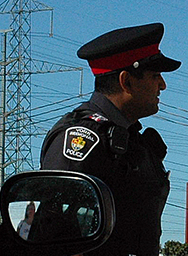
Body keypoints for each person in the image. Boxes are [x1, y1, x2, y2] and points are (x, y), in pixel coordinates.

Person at [40, 22, 179, 256]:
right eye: (155, 75)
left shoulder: (131, 140)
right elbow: (54, 235)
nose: (163, 85)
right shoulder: (82, 139)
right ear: (126, 81)